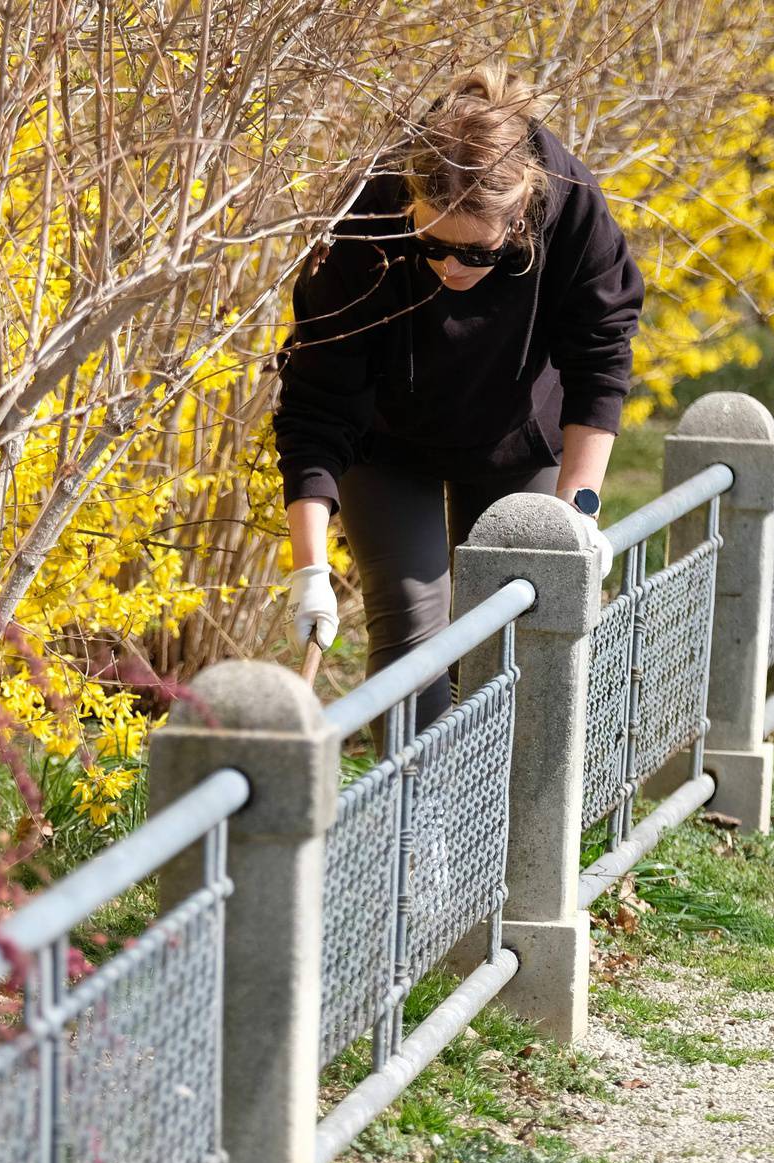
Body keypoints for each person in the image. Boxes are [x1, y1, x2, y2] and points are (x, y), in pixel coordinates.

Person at [271, 62, 642, 731]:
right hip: (385, 442)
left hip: (516, 433)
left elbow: (602, 351)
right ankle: (417, 830)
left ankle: (500, 821)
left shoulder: (569, 202)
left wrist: (578, 511)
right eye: (433, 246)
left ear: (520, 219)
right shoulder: (369, 215)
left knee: (502, 633)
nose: (451, 268)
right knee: (412, 630)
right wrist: (311, 571)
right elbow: (314, 404)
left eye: (478, 255)